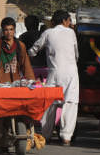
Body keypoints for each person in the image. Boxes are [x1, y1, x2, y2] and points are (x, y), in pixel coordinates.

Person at [29, 10, 79, 146]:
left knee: (49, 103)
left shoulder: (48, 33)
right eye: (69, 21)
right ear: (64, 21)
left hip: (54, 73)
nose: (70, 24)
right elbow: (76, 55)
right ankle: (66, 137)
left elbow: (33, 50)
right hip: (71, 73)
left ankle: (45, 134)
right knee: (70, 103)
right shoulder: (71, 33)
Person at [0, 17, 34, 83]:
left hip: (16, 83)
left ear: (14, 30)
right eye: (6, 30)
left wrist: (31, 80)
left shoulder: (20, 45)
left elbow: (26, 65)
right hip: (0, 83)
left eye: (11, 29)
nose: (9, 32)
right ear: (2, 31)